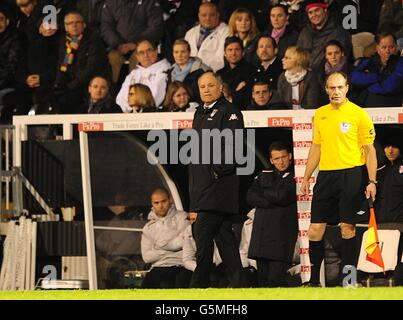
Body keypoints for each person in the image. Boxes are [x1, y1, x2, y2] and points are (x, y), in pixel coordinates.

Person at [300, 72, 377, 286]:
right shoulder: (320, 114)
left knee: (347, 228)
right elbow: (316, 147)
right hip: (325, 176)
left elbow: (370, 151)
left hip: (351, 174)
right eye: (332, 88)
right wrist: (306, 177)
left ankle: (349, 281)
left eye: (339, 87)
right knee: (315, 229)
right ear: (326, 89)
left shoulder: (358, 114)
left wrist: (372, 181)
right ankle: (313, 282)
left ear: (347, 88)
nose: (336, 92)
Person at [188, 71, 244, 288]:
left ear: (220, 88)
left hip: (219, 187)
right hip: (203, 187)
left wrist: (216, 172)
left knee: (201, 234)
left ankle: (198, 286)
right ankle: (240, 283)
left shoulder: (230, 112)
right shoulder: (198, 113)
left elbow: (234, 148)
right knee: (224, 239)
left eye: (211, 85)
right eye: (202, 87)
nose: (206, 90)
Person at [247, 141, 298, 287]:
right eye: (277, 159)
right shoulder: (264, 174)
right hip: (261, 238)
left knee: (275, 283)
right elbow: (250, 196)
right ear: (271, 160)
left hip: (281, 237)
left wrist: (262, 193)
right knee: (262, 284)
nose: (281, 162)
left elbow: (282, 195)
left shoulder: (296, 175)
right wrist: (271, 198)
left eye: (283, 157)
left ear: (290, 156)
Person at [52, 11, 110, 114]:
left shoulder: (94, 40)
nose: (74, 25)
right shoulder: (65, 42)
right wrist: (59, 84)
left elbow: (90, 70)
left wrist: (69, 87)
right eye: (70, 23)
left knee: (68, 99)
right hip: (72, 84)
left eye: (77, 22)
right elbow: (63, 65)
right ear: (65, 27)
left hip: (88, 84)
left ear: (84, 25)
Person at [101, 0, 164, 83]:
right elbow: (106, 28)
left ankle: (137, 88)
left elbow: (156, 27)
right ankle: (112, 91)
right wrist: (118, 44)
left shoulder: (149, 2)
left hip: (142, 46)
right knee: (112, 59)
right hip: (118, 47)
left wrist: (137, 43)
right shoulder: (111, 3)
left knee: (140, 58)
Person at [140, 187, 190, 288]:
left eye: (163, 201)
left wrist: (158, 247)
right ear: (152, 204)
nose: (160, 206)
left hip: (180, 265)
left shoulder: (183, 217)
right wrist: (170, 248)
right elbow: (147, 257)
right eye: (156, 203)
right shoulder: (148, 227)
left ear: (170, 200)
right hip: (158, 267)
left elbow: (182, 242)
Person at [116, 39, 170, 113]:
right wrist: (132, 110)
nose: (146, 55)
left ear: (156, 51)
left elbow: (156, 97)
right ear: (137, 57)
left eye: (149, 50)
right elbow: (120, 98)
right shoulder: (133, 74)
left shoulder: (165, 69)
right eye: (141, 52)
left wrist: (138, 109)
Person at [351, 32, 403, 107]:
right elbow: (354, 78)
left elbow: (388, 88)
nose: (387, 51)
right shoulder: (369, 61)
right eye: (384, 47)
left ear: (396, 47)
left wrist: (367, 86)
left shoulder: (401, 63)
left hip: (391, 106)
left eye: (391, 47)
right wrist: (380, 77)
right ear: (378, 49)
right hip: (366, 106)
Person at [296, 0, 352, 70]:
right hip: (305, 74)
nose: (314, 15)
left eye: (317, 10)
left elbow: (341, 59)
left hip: (327, 74)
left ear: (325, 10)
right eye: (310, 12)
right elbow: (298, 55)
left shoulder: (339, 32)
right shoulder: (305, 32)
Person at [182, 212, 227, 287]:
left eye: (196, 219)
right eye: (191, 219)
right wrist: (199, 268)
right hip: (201, 267)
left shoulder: (217, 227)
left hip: (220, 265)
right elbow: (187, 259)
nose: (194, 223)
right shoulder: (189, 231)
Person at [184, 2, 228, 72]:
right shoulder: (190, 33)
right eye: (204, 15)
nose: (208, 18)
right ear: (199, 16)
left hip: (212, 74)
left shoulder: (226, 32)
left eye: (212, 15)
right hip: (189, 74)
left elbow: (220, 61)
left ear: (218, 15)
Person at [217, 36, 255, 109]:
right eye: (230, 50)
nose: (233, 53)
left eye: (237, 49)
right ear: (225, 53)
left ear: (243, 52)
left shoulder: (251, 70)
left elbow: (247, 97)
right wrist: (236, 90)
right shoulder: (220, 73)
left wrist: (230, 94)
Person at [317, 40, 353, 105]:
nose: (333, 57)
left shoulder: (351, 69)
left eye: (336, 53)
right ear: (325, 56)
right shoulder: (319, 71)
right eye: (329, 54)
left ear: (342, 53)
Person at [375, 139, 403, 223]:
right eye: (387, 147)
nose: (390, 150)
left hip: (399, 220)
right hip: (381, 219)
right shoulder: (378, 169)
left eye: (394, 146)